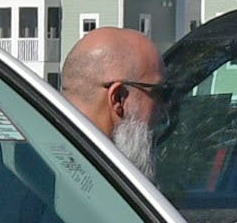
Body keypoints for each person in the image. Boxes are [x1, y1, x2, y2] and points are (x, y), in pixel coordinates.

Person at [54, 26, 168, 178]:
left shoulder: (46, 162)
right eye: (160, 93)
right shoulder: (93, 183)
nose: (165, 110)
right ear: (118, 99)